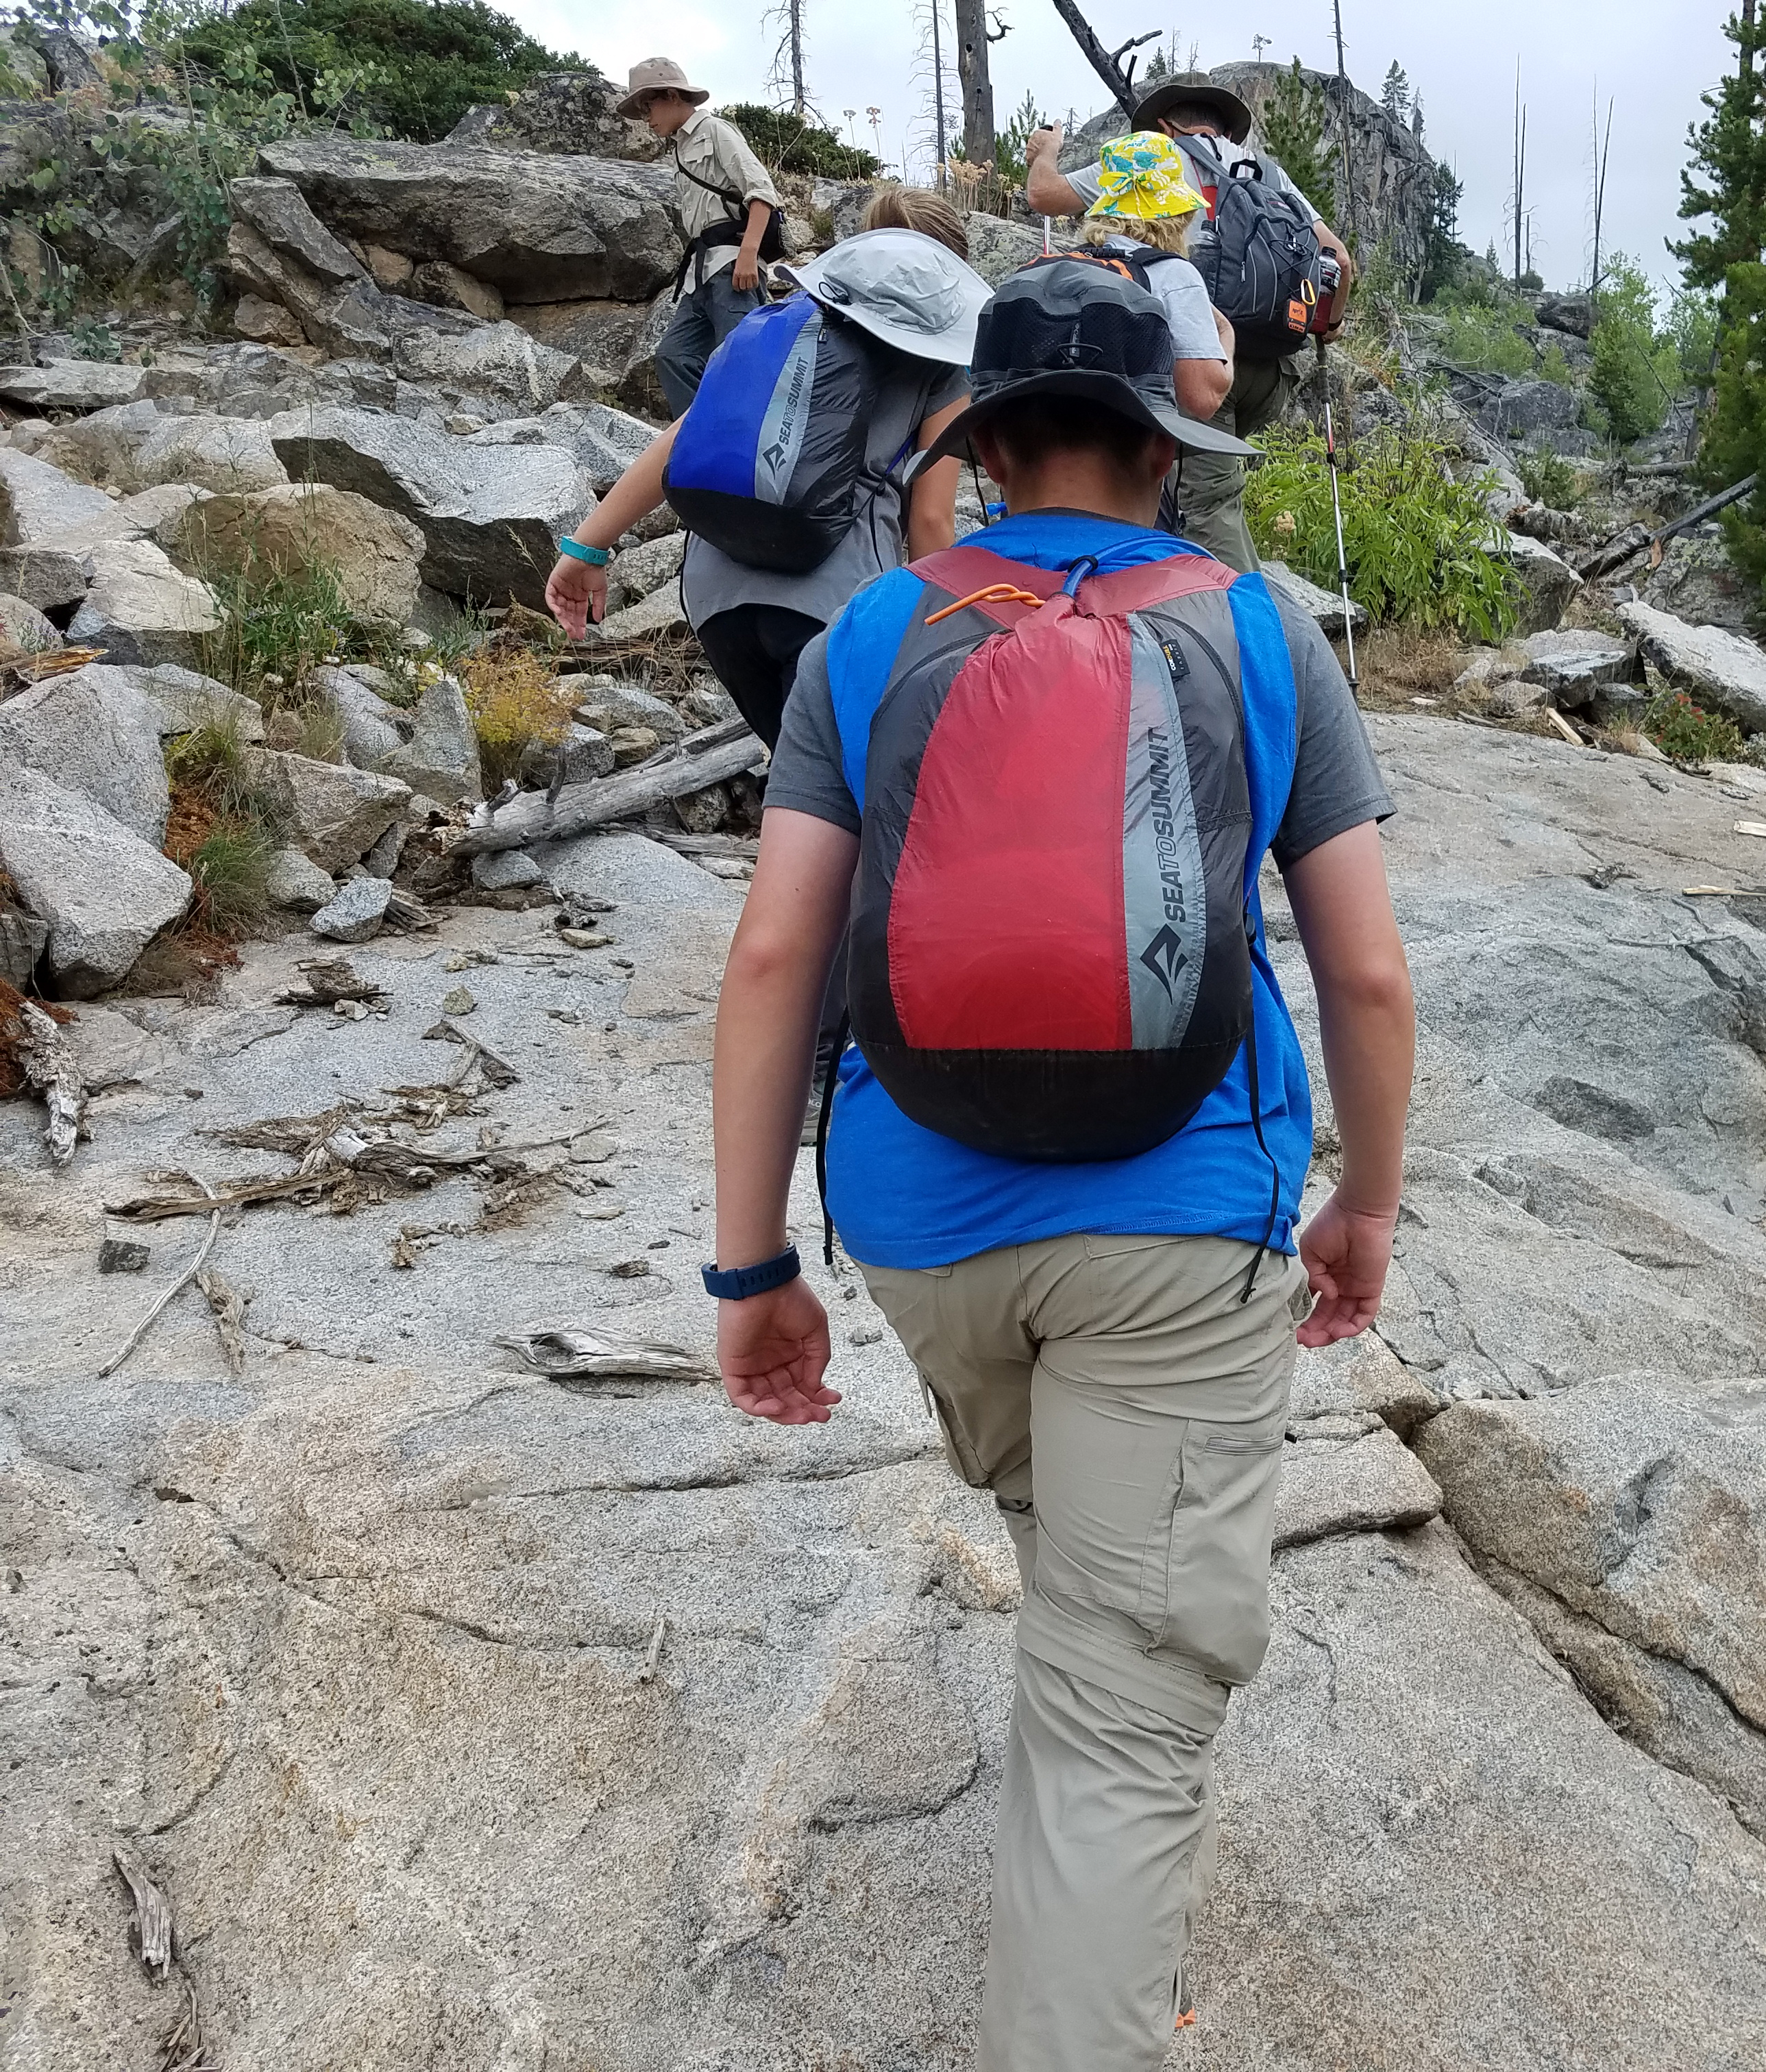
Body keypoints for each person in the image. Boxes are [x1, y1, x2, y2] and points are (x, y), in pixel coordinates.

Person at [703, 262, 1413, 2069]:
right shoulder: (1261, 629)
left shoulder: (871, 636)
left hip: (927, 1226)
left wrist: (752, 1270)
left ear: (993, 444)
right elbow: (1369, 968)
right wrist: (1369, 1201)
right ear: (1164, 451)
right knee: (1122, 1723)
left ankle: (1095, 1717)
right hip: (1183, 1230)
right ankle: (1090, 1963)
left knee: (1073, 1558)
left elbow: (779, 955)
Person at [541, 224, 990, 747]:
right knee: (850, 797)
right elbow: (931, 520)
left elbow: (678, 443)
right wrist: (941, 640)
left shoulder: (768, 329)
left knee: (798, 777)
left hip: (717, 602)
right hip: (837, 606)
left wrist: (585, 549)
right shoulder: (938, 371)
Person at [1026, 72, 1351, 571]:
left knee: (1206, 504)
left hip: (1200, 357)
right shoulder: (1268, 173)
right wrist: (1328, 324)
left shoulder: (1155, 158)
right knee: (1207, 493)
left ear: (1165, 125)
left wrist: (1046, 152)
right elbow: (1339, 260)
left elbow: (1045, 196)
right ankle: (1184, 595)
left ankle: (1238, 628)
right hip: (1273, 369)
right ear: (1223, 126)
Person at [619, 58, 783, 415]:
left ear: (673, 95)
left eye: (650, 106)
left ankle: (748, 437)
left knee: (741, 358)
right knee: (674, 356)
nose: (648, 118)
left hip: (732, 265)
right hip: (701, 272)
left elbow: (762, 192)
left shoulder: (715, 131)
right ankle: (704, 433)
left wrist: (747, 254)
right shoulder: (680, 149)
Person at [1074, 130, 1231, 428]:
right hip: (1125, 452)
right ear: (1177, 215)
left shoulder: (1074, 264)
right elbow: (1203, 399)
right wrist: (1227, 335)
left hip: (1045, 446)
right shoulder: (1173, 274)